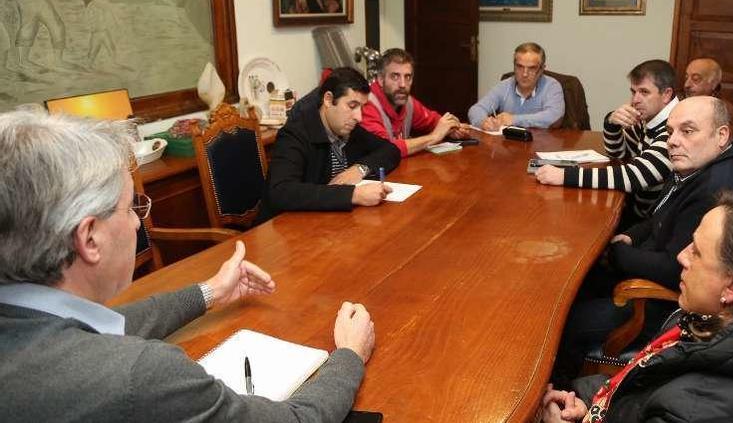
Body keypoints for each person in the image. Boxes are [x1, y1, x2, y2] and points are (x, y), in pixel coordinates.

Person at [0, 110, 376, 422]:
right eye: (131, 207)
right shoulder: (143, 375)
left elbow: (108, 327)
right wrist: (348, 356)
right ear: (89, 239)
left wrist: (212, 292)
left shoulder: (26, 322)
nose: (136, 223)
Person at [542, 192, 733, 422]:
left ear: (731, 288)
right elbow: (649, 379)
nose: (681, 257)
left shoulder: (704, 410)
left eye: (697, 253)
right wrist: (588, 405)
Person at [550, 96, 733, 387]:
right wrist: (632, 236)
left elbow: (674, 268)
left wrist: (615, 251)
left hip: (671, 303)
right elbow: (659, 216)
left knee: (566, 320)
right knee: (570, 284)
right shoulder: (702, 165)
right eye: (670, 132)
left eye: (687, 131)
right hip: (659, 269)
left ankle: (561, 391)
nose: (673, 141)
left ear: (722, 135)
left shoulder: (716, 190)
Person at [536, 59, 679, 226]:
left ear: (666, 94)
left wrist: (564, 176)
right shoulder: (651, 118)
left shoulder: (675, 127)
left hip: (652, 224)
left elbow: (633, 177)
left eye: (644, 92)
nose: (635, 100)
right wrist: (612, 122)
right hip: (640, 213)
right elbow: (619, 154)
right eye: (633, 92)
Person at [260, 67, 401, 217]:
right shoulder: (294, 134)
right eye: (352, 106)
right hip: (287, 228)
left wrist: (359, 169)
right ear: (328, 99)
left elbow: (390, 149)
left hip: (330, 222)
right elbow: (281, 191)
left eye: (361, 108)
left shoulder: (350, 128)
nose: (359, 117)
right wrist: (353, 195)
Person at [361, 48, 469, 157]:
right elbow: (384, 149)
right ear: (380, 79)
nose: (403, 84)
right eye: (395, 76)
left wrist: (452, 128)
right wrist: (434, 137)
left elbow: (433, 120)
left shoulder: (408, 103)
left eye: (407, 77)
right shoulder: (366, 104)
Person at [468, 42, 564, 130]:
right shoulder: (505, 85)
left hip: (542, 145)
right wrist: (483, 122)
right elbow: (476, 109)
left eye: (532, 68)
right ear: (514, 66)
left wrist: (514, 120)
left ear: (542, 69)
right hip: (509, 145)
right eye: (520, 67)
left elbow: (554, 115)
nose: (525, 74)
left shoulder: (551, 86)